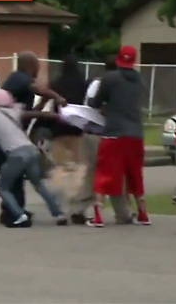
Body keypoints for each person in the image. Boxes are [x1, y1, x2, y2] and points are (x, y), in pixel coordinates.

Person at [0, 51, 66, 227]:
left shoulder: (15, 90)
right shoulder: (19, 78)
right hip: (4, 139)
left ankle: (17, 209)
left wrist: (42, 105)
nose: (39, 71)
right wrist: (55, 98)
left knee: (18, 176)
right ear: (30, 67)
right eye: (37, 66)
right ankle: (11, 213)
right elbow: (27, 105)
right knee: (14, 177)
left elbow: (26, 113)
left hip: (15, 139)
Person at [87, 46, 150, 227]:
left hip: (114, 133)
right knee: (135, 174)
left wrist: (104, 105)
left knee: (105, 173)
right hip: (136, 134)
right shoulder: (139, 80)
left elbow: (96, 101)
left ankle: (98, 214)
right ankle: (143, 212)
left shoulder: (110, 78)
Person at [68, 55, 134, 225]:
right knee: (115, 173)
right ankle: (123, 213)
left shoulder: (96, 83)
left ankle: (78, 209)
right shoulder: (112, 85)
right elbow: (102, 108)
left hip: (90, 133)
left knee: (91, 173)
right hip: (105, 134)